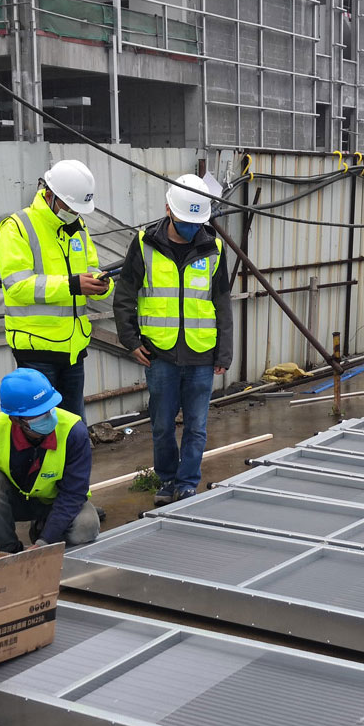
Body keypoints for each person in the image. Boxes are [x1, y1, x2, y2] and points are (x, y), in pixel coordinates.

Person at [113, 174, 233, 506]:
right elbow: (125, 295)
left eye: (198, 223)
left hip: (202, 355)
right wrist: (130, 340)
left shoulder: (215, 248)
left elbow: (221, 301)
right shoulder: (143, 245)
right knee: (163, 425)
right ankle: (167, 480)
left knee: (196, 426)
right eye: (186, 222)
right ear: (169, 210)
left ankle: (187, 482)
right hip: (160, 354)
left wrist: (224, 351)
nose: (192, 228)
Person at [0, 158, 112, 419]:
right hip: (37, 350)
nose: (75, 213)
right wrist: (72, 285)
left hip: (73, 348)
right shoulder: (16, 227)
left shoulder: (77, 227)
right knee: (40, 429)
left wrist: (101, 284)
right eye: (70, 206)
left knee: (72, 427)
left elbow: (92, 266)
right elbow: (18, 285)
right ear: (49, 194)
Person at [0, 368, 101, 552]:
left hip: (54, 502)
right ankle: (8, 549)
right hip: (13, 503)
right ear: (16, 420)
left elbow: (73, 494)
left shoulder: (74, 432)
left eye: (50, 408)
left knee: (86, 526)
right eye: (39, 414)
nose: (49, 417)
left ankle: (44, 529)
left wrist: (45, 542)